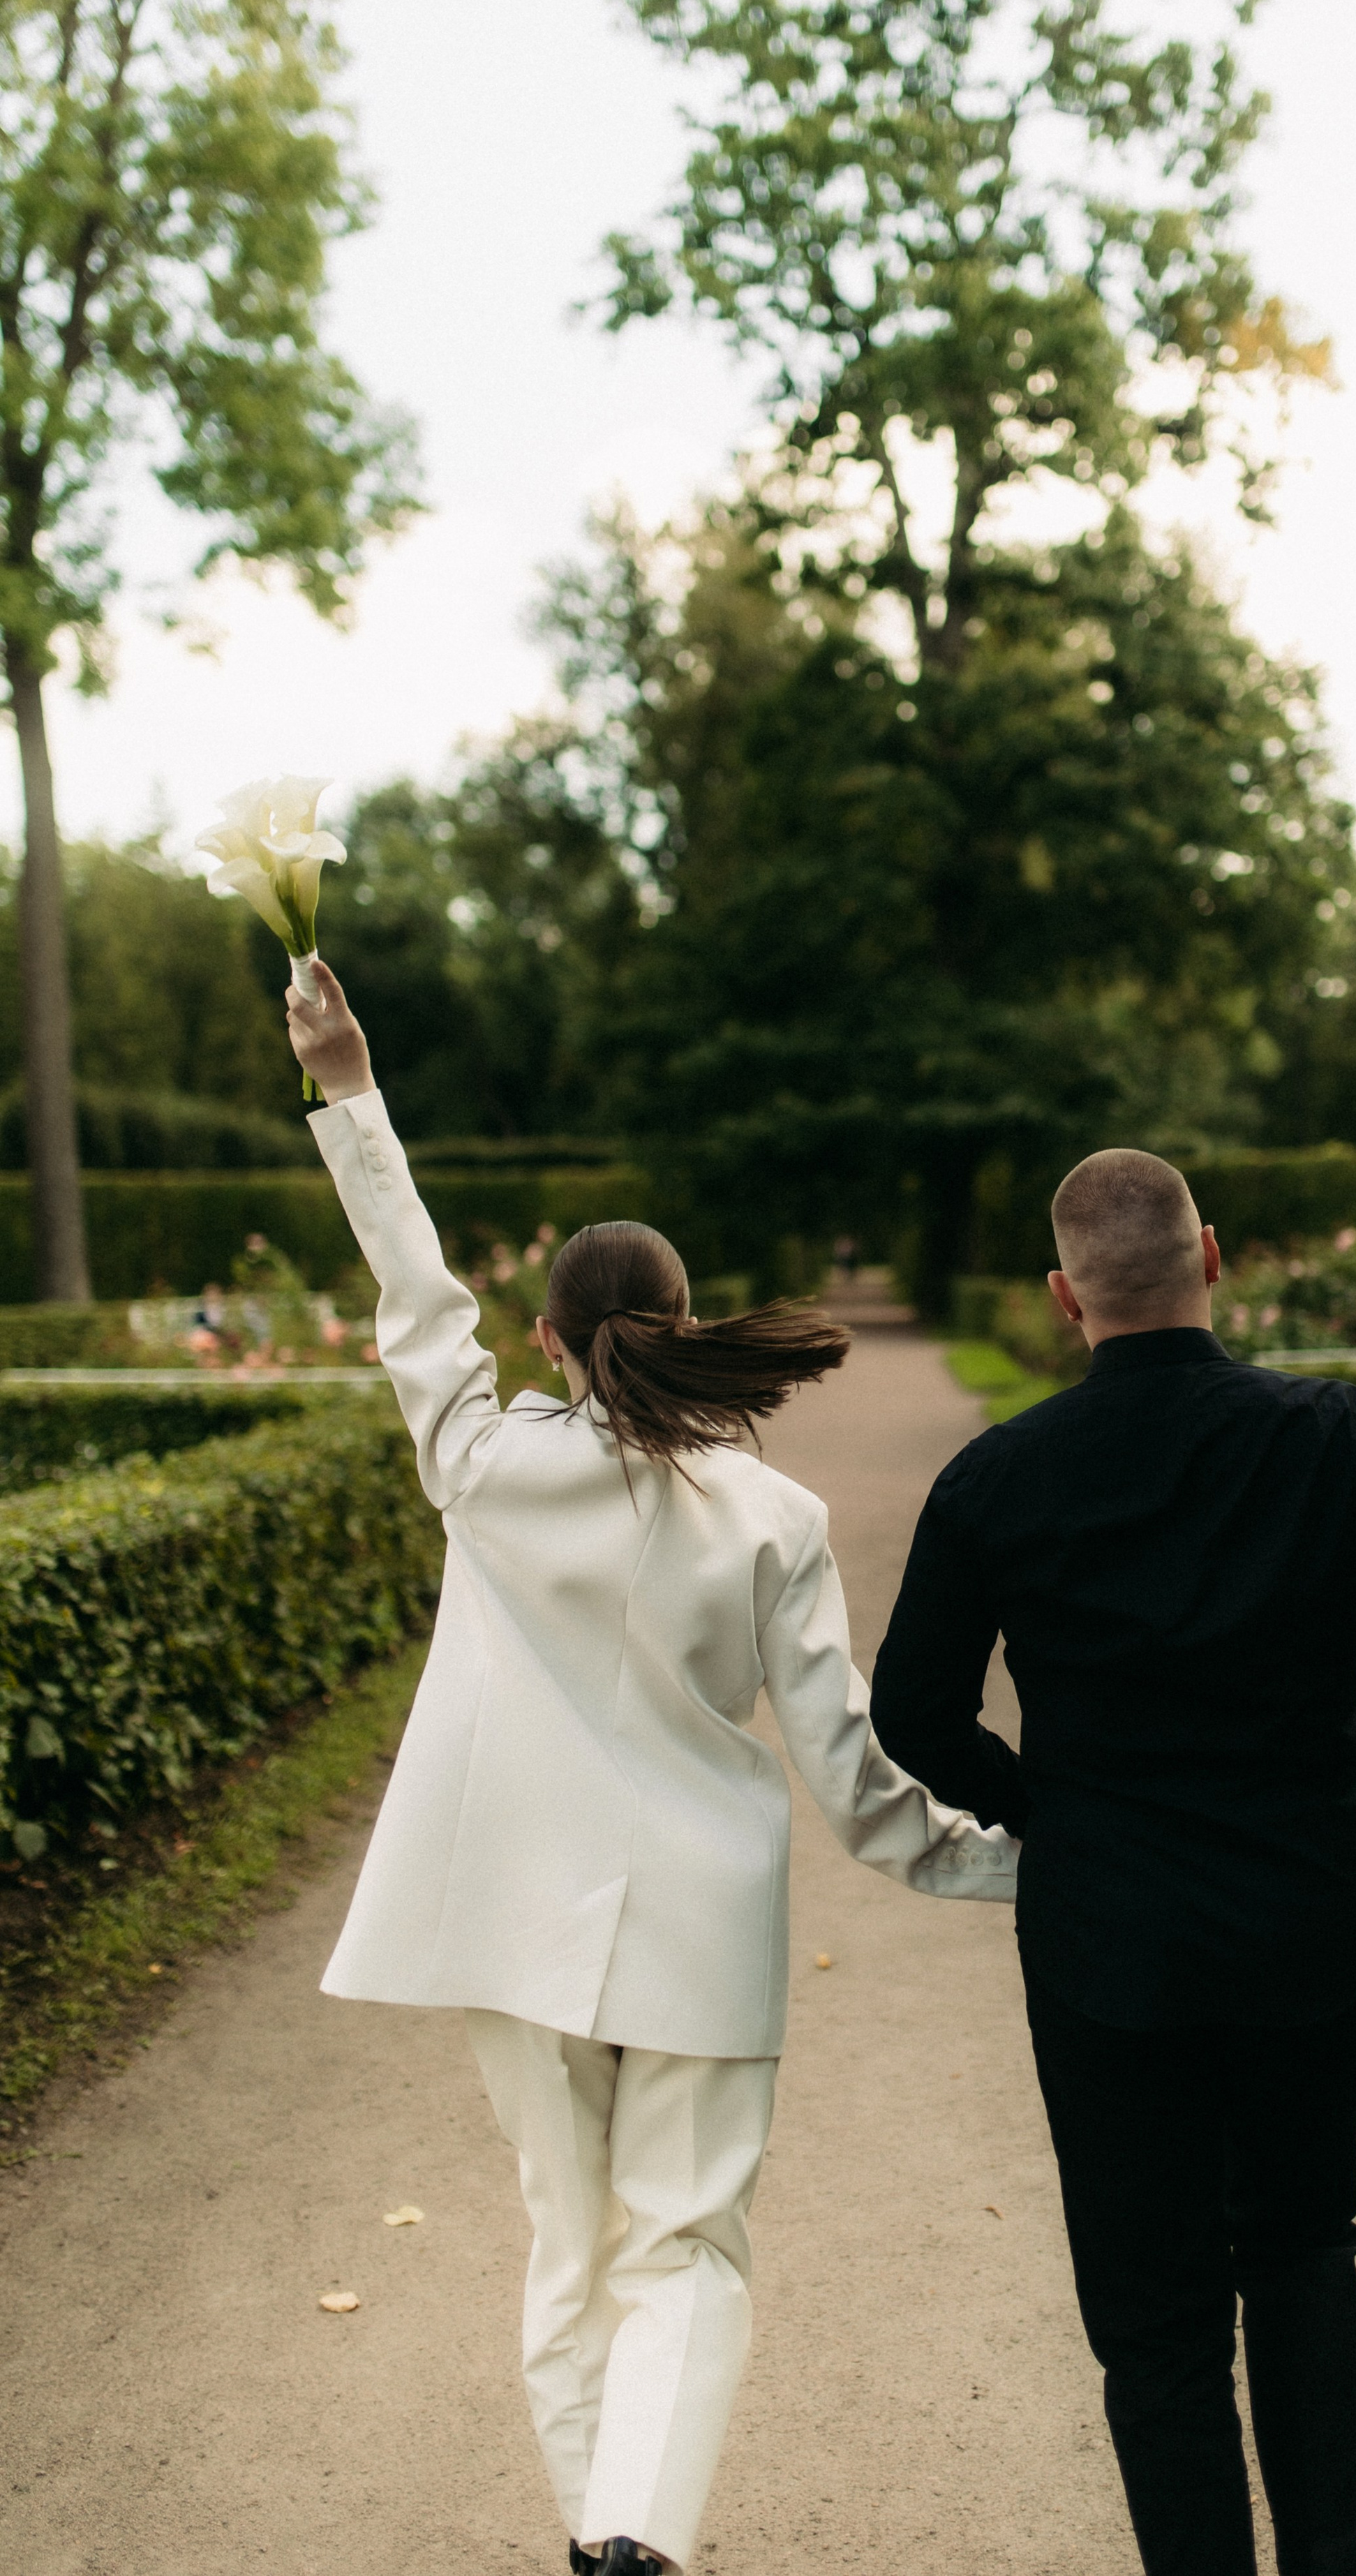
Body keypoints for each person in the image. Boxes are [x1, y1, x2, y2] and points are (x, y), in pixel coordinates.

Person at [284, 965, 1020, 2576]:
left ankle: (599, 2543)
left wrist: (353, 1087)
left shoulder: (482, 1468)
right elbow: (851, 1771)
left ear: (549, 1339)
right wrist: (1016, 1862)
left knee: (569, 2245)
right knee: (684, 2252)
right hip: (694, 1924)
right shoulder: (774, 1519)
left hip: (510, 1929)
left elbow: (417, 1305)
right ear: (683, 1334)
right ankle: (636, 2538)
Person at [870, 1147, 1356, 2576]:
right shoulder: (1333, 1435)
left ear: (1063, 1298)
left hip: (1108, 1939)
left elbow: (911, 1711)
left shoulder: (996, 1477)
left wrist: (1044, 1807)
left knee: (1156, 2318)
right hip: (1305, 1918)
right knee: (1303, 2246)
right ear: (1214, 1258)